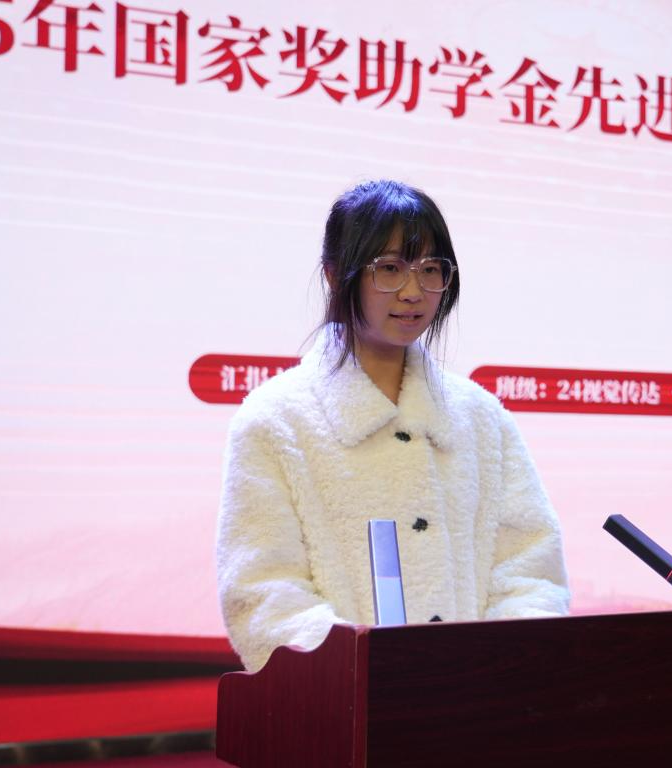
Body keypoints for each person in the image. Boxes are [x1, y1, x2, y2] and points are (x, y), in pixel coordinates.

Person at [216, 179, 569, 672]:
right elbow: (262, 592)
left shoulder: (481, 417)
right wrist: (370, 674)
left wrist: (491, 671)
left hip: (478, 702)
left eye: (431, 270)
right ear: (335, 275)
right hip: (347, 704)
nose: (413, 291)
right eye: (389, 269)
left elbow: (530, 571)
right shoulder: (275, 421)